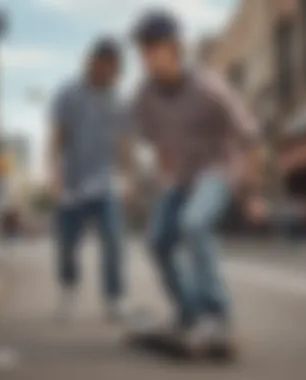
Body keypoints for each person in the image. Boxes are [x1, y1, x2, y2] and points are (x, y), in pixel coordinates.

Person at [131, 11, 259, 353]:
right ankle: (189, 313)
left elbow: (247, 134)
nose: (148, 57)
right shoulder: (145, 97)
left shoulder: (208, 86)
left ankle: (218, 316)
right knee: (157, 241)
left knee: (194, 223)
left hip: (220, 171)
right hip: (183, 178)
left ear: (175, 49)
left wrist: (251, 193)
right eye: (144, 50)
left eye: (155, 49)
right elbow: (156, 142)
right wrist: (169, 179)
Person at [49, 38, 127, 321]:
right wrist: (54, 174)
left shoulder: (119, 100)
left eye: (116, 68)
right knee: (68, 245)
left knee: (113, 240)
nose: (112, 73)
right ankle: (68, 290)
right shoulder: (68, 94)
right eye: (107, 66)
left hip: (105, 182)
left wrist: (126, 177)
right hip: (72, 182)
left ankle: (114, 299)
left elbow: (124, 142)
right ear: (94, 63)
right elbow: (57, 137)